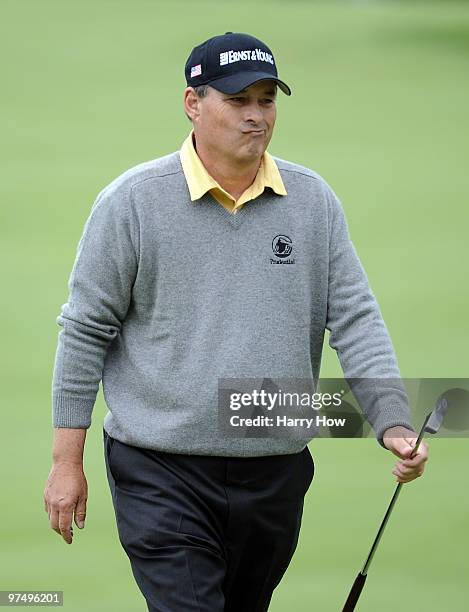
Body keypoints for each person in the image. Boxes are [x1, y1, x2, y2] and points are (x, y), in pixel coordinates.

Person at [44, 32, 429, 612]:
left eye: (266, 99)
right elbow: (85, 329)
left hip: (275, 470)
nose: (256, 116)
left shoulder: (312, 201)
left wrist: (391, 421)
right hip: (160, 468)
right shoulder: (132, 203)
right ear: (192, 104)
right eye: (238, 100)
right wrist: (64, 463)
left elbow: (353, 318)